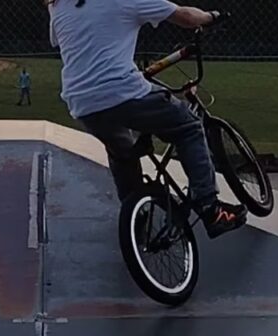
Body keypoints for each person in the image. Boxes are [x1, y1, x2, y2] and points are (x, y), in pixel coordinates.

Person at [46, 0, 247, 239]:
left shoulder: (58, 5)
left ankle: (135, 219)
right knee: (189, 128)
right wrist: (212, 16)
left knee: (122, 152)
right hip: (123, 92)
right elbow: (186, 17)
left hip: (82, 104)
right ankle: (211, 209)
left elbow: (62, 39)